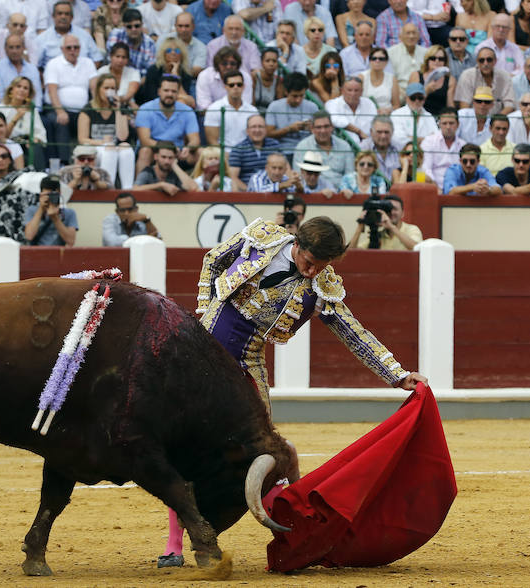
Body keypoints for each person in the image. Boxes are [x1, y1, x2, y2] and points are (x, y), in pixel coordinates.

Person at [162, 214, 428, 566]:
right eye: (309, 262)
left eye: (322, 266)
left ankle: (297, 537)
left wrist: (396, 374)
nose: (312, 272)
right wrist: (203, 310)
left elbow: (352, 331)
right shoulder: (262, 238)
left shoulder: (321, 287)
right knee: (183, 445)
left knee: (264, 454)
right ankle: (173, 545)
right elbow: (213, 260)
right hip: (201, 356)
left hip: (246, 365)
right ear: (297, 244)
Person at [42, 33, 97, 164]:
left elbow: (94, 88)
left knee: (93, 119)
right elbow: (52, 90)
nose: (73, 50)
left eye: (76, 47)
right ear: (62, 49)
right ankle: (64, 163)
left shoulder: (88, 63)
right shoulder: (53, 64)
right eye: (69, 47)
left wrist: (96, 109)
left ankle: (89, 161)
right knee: (60, 121)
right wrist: (60, 111)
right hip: (57, 109)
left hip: (83, 110)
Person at [78, 73, 132, 188]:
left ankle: (128, 188)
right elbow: (82, 139)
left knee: (126, 147)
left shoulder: (120, 108)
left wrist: (118, 110)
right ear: (98, 90)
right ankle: (108, 187)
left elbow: (122, 137)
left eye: (113, 88)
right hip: (96, 148)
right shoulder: (88, 110)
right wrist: (102, 142)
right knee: (110, 148)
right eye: (106, 88)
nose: (109, 92)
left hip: (114, 147)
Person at [135, 75, 200, 171]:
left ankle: (203, 181)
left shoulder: (187, 111)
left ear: (178, 94)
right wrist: (169, 148)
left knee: (201, 152)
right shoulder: (145, 109)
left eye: (173, 91)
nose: (170, 94)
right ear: (159, 92)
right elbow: (145, 140)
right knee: (145, 151)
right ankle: (140, 181)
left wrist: (188, 148)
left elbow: (195, 140)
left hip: (178, 152)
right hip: (154, 151)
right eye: (166, 90)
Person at [293, 110, 355, 186]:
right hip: (313, 191)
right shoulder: (302, 147)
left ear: (332, 127)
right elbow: (299, 177)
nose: (323, 131)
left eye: (326, 126)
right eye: (319, 127)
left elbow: (350, 176)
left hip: (341, 191)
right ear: (312, 129)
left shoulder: (344, 146)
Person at [265, 72, 318, 161]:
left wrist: (313, 129)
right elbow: (268, 134)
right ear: (286, 92)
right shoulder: (274, 106)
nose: (298, 100)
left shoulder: (312, 107)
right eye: (294, 96)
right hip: (282, 151)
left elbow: (320, 133)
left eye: (302, 95)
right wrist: (289, 129)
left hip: (307, 151)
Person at [35, 1, 102, 69]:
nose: (63, 17)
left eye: (67, 14)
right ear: (53, 16)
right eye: (60, 13)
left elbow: (97, 59)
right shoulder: (42, 39)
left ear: (72, 17)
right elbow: (36, 65)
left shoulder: (84, 36)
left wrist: (87, 73)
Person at [0, 77, 45, 166]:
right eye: (18, 86)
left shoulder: (32, 110)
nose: (22, 90)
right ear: (11, 90)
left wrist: (36, 139)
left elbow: (40, 131)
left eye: (25, 88)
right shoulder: (1, 108)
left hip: (28, 144)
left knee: (35, 148)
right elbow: (1, 135)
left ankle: (39, 174)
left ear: (29, 93)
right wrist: (16, 117)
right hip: (9, 143)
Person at [203, 70, 259, 148]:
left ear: (244, 86)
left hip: (247, 152)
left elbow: (257, 139)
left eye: (239, 84)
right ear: (225, 87)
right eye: (231, 85)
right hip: (222, 153)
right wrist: (224, 154)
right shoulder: (214, 109)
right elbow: (212, 141)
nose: (235, 87)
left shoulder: (253, 111)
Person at [348, 194, 422, 250]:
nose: (391, 212)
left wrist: (392, 227)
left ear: (402, 213)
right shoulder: (379, 234)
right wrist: (359, 227)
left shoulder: (412, 229)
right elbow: (350, 253)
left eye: (395, 209)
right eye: (388, 209)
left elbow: (416, 248)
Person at [227, 114, 282, 190]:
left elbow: (286, 170)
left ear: (266, 129)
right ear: (247, 130)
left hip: (274, 191)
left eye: (260, 127)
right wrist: (252, 192)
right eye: (253, 127)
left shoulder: (275, 145)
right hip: (246, 192)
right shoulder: (238, 149)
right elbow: (233, 178)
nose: (257, 130)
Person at [454, 46, 515, 114]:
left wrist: (496, 119)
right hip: (473, 118)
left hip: (498, 118)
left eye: (489, 60)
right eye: (481, 60)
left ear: (495, 61)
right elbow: (464, 107)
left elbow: (510, 105)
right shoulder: (467, 76)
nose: (485, 63)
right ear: (477, 62)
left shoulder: (505, 76)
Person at [23, 175, 78, 246]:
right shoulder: (32, 210)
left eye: (54, 194)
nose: (51, 197)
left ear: (60, 193)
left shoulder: (69, 213)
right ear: (41, 194)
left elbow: (71, 241)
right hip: (37, 251)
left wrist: (55, 218)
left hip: (58, 252)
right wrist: (41, 209)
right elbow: (29, 236)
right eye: (47, 194)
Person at [0, 33, 44, 109]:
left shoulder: (32, 69)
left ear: (23, 48)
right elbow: (0, 96)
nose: (14, 51)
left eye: (18, 47)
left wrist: (34, 111)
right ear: (5, 49)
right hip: (6, 110)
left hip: (29, 110)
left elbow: (37, 96)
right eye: (11, 47)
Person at [137, 38, 192, 107]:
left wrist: (176, 76)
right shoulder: (154, 70)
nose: (173, 53)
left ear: (182, 54)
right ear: (163, 54)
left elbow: (187, 101)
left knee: (182, 102)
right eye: (169, 50)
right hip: (153, 105)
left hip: (175, 105)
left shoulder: (185, 73)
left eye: (177, 51)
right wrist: (178, 97)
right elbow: (152, 96)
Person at [421, 106, 466, 188]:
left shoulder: (463, 145)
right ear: (439, 124)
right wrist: (435, 187)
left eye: (451, 123)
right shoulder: (429, 141)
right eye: (444, 123)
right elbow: (426, 169)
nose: (448, 127)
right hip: (433, 187)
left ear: (458, 124)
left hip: (457, 189)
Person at [327, 75, 378, 144]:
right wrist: (358, 131)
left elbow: (375, 123)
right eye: (349, 90)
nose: (353, 94)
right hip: (343, 145)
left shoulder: (369, 103)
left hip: (368, 144)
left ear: (361, 91)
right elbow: (335, 120)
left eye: (356, 90)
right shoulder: (332, 104)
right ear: (342, 91)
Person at [407, 44, 456, 117]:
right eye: (433, 58)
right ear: (427, 60)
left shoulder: (450, 79)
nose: (437, 61)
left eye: (441, 59)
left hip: (440, 118)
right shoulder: (416, 75)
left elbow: (450, 105)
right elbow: (411, 101)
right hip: (419, 115)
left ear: (445, 61)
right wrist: (426, 91)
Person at [107, 8, 157, 77]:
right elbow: (111, 60)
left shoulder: (150, 43)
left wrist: (133, 76)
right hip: (116, 75)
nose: (133, 29)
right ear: (124, 26)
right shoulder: (116, 34)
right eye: (129, 27)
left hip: (140, 79)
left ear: (142, 25)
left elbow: (150, 70)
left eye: (137, 26)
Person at [133, 140, 197, 194]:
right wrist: (160, 185)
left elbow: (193, 188)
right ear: (156, 156)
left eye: (170, 158)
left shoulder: (175, 174)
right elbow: (135, 189)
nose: (167, 161)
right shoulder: (148, 172)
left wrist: (175, 165)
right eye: (163, 157)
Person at [391, 82, 438, 147]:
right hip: (403, 152)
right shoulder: (397, 114)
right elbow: (398, 139)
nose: (417, 101)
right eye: (413, 98)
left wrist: (410, 138)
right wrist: (425, 139)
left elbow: (435, 139)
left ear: (424, 99)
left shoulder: (429, 116)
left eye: (420, 98)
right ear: (406, 98)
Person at [388, 23, 427, 95]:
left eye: (414, 33)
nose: (411, 36)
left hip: (422, 92)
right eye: (408, 33)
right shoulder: (390, 53)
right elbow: (389, 79)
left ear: (418, 36)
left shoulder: (426, 53)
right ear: (400, 37)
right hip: (399, 91)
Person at [360, 115, 401, 179]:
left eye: (386, 132)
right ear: (371, 132)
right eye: (379, 132)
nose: (383, 136)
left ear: (392, 132)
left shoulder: (399, 148)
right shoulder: (363, 148)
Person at [168, 12, 207, 78]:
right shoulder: (164, 40)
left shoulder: (201, 47)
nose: (183, 29)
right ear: (175, 26)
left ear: (193, 27)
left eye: (187, 26)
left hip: (189, 80)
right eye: (180, 26)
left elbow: (196, 71)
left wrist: (176, 71)